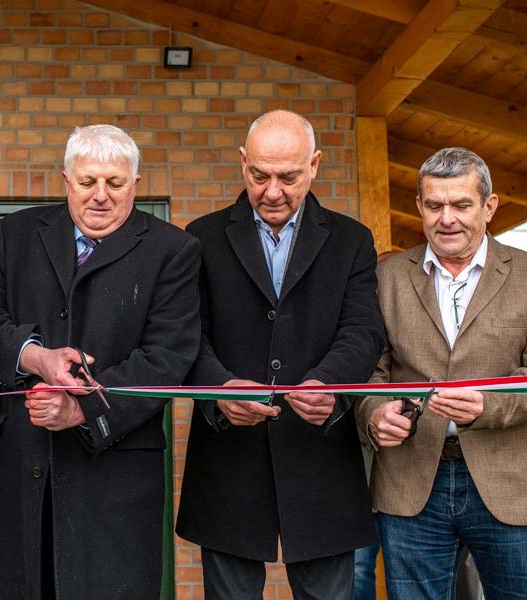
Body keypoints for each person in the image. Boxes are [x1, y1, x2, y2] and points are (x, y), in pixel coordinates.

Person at [0, 124, 201, 600]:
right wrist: (34, 357)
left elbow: (167, 356)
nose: (100, 196)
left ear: (135, 183)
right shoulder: (18, 234)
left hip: (113, 476)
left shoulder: (172, 250)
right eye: (88, 182)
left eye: (115, 183)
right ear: (66, 181)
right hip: (23, 465)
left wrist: (83, 409)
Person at [176, 110, 386, 600]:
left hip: (321, 463)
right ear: (243, 163)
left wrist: (330, 385)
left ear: (314, 165)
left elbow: (363, 329)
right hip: (227, 464)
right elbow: (187, 335)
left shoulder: (352, 240)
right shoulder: (200, 237)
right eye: (259, 175)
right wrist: (219, 390)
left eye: (289, 177)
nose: (272, 191)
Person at [356, 146, 527, 599]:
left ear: (489, 207)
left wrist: (489, 407)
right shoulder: (387, 277)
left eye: (461, 205)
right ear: (419, 206)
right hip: (410, 484)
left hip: (511, 485)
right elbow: (369, 373)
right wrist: (374, 414)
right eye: (434, 205)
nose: (446, 218)